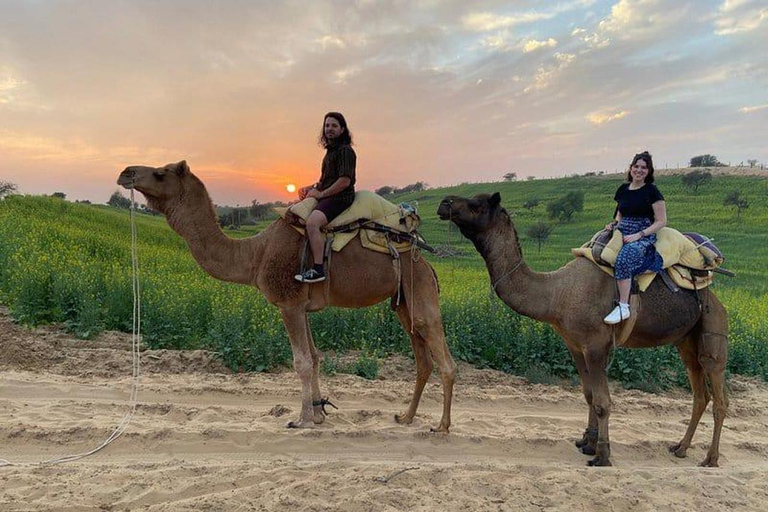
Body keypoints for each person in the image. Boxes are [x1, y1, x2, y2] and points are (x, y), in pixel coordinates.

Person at [603, 151, 667, 324]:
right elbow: (620, 215)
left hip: (643, 233)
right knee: (595, 249)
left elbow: (661, 221)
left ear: (649, 171)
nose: (639, 170)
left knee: (625, 257)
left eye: (644, 167)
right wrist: (613, 225)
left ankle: (623, 307)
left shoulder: (652, 192)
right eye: (636, 166)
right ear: (631, 168)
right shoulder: (623, 189)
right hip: (622, 230)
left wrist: (639, 235)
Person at [294, 112, 357, 283]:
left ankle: (318, 269)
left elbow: (344, 181)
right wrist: (311, 188)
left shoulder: (345, 151)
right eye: (327, 125)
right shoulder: (330, 152)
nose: (329, 129)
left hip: (340, 198)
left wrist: (320, 194)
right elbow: (326, 180)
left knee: (312, 223)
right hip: (328, 195)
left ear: (342, 129)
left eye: (334, 126)